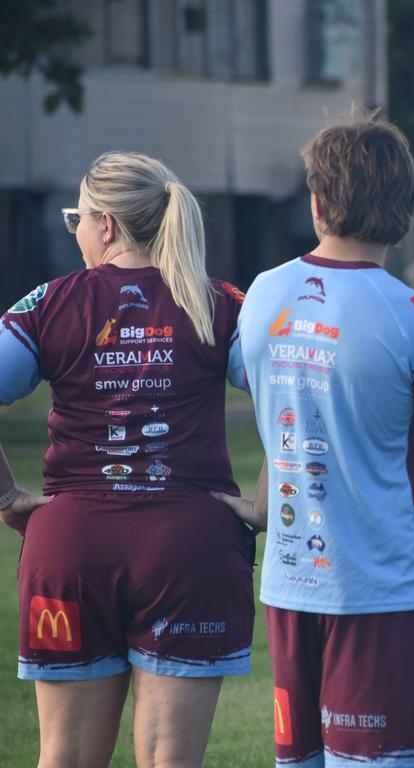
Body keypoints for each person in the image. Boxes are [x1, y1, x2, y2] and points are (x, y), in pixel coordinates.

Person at [217, 117, 414, 768]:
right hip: (383, 598)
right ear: (406, 210)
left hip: (289, 592)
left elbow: (290, 422)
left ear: (316, 203)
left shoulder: (261, 296)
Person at [0, 151, 256, 768]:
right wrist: (270, 503)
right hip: (190, 548)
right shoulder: (219, 302)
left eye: (77, 219)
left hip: (71, 546)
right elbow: (296, 397)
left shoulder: (50, 303)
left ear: (108, 225)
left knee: (63, 757)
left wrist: (7, 498)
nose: (77, 231)